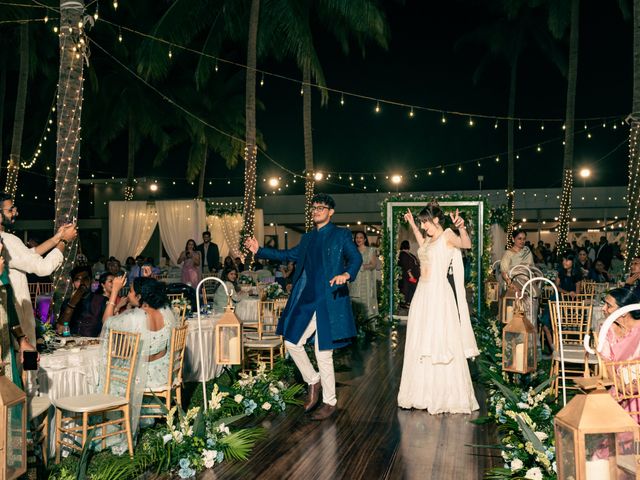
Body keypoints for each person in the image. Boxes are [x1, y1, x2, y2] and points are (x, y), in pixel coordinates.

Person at [244, 193, 362, 421]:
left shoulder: (341, 235)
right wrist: (259, 250)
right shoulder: (308, 238)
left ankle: (329, 402)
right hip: (307, 300)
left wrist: (346, 274)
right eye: (314, 207)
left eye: (322, 207)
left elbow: (355, 258)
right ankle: (313, 380)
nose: (316, 210)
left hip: (329, 300)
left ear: (331, 212)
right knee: (291, 342)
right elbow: (287, 255)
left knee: (323, 352)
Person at [397, 203, 479, 413]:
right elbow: (422, 244)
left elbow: (467, 244)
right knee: (421, 340)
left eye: (425, 222)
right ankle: (421, 393)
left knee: (439, 340)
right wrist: (412, 224)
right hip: (422, 294)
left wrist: (461, 226)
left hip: (438, 294)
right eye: (422, 222)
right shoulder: (429, 240)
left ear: (436, 220)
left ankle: (444, 395)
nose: (424, 227)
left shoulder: (448, 236)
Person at [99, 276, 177, 452]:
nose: (129, 294)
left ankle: (118, 423)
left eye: (132, 291)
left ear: (140, 297)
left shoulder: (135, 317)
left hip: (144, 374)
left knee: (107, 377)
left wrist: (115, 293)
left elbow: (106, 322)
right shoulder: (165, 311)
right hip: (162, 371)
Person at [0, 193, 78, 344]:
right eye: (11, 210)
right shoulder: (8, 240)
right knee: (26, 365)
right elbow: (44, 267)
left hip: (8, 319)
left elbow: (30, 254)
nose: (16, 212)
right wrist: (64, 241)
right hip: (17, 321)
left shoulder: (6, 241)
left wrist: (57, 237)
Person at [599, 288, 640, 422]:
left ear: (624, 312)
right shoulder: (607, 330)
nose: (603, 308)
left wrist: (635, 386)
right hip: (619, 387)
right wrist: (621, 387)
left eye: (609, 306)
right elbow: (607, 364)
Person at [58, 265, 108, 337]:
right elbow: (60, 329)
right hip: (71, 344)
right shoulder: (67, 303)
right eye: (77, 280)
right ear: (73, 284)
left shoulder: (101, 301)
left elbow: (107, 327)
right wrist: (73, 301)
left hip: (93, 345)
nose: (82, 283)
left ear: (91, 281)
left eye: (85, 279)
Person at [349, 231, 378, 320]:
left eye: (361, 237)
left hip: (366, 280)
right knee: (355, 303)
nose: (358, 239)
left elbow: (373, 264)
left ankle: (368, 326)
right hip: (355, 280)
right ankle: (356, 327)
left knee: (366, 302)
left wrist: (360, 267)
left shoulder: (370, 250)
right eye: (357, 237)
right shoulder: (352, 251)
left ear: (365, 239)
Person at [398, 240, 420, 308]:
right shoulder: (403, 254)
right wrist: (411, 276)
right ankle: (407, 303)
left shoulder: (408, 254)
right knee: (410, 289)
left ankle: (409, 303)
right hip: (409, 277)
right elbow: (406, 266)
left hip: (412, 276)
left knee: (411, 289)